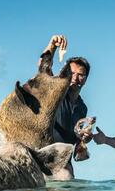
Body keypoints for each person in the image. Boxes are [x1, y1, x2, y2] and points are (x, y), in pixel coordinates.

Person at [37, 34, 93, 169]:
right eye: (72, 73)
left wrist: (84, 139)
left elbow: (76, 140)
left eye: (80, 75)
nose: (75, 78)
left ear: (86, 78)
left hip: (64, 161)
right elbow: (43, 69)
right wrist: (52, 45)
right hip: (42, 156)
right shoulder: (55, 93)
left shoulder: (82, 108)